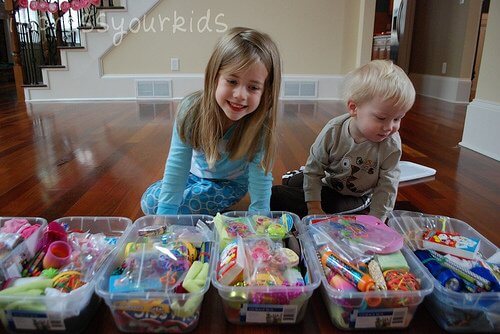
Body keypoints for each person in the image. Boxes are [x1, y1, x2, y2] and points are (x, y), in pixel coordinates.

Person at [141, 27, 281, 216]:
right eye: (232, 81)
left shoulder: (260, 125)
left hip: (229, 184)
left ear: (265, 91)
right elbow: (177, 165)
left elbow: (260, 176)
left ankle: (227, 208)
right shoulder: (190, 111)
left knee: (197, 201)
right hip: (193, 176)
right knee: (150, 203)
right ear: (214, 78)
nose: (240, 95)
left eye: (253, 87)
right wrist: (165, 214)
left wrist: (260, 218)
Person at [271, 60, 415, 222]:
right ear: (354, 108)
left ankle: (298, 186)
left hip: (357, 195)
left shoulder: (390, 144)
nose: (389, 127)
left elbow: (387, 186)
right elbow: (314, 169)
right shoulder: (334, 130)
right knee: (302, 181)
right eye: (381, 118)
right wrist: (314, 208)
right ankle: (297, 177)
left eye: (397, 119)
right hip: (329, 179)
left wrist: (377, 220)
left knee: (278, 196)